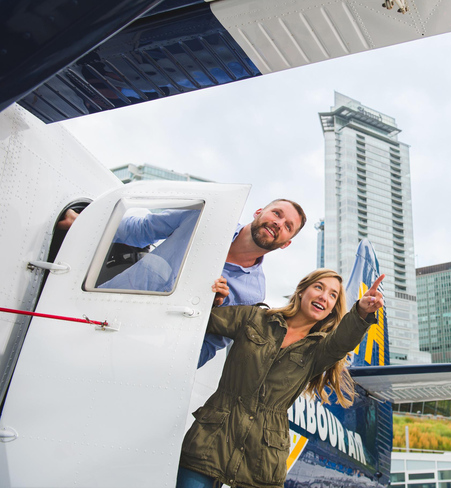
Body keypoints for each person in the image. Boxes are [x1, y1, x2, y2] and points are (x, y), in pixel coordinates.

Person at [176, 269, 385, 488]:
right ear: (302, 291)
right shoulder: (254, 318)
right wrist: (212, 298)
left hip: (261, 461)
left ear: (332, 308)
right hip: (209, 442)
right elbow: (200, 318)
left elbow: (343, 341)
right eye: (319, 287)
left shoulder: (320, 350)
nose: (324, 296)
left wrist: (361, 311)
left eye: (333, 295)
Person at [58, 199, 307, 367]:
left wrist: (207, 313)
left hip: (133, 353)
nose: (278, 223)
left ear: (286, 243)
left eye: (288, 227)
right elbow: (139, 229)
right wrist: (83, 225)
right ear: (259, 212)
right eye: (277, 213)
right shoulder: (204, 220)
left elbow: (208, 346)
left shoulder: (253, 296)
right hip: (90, 313)